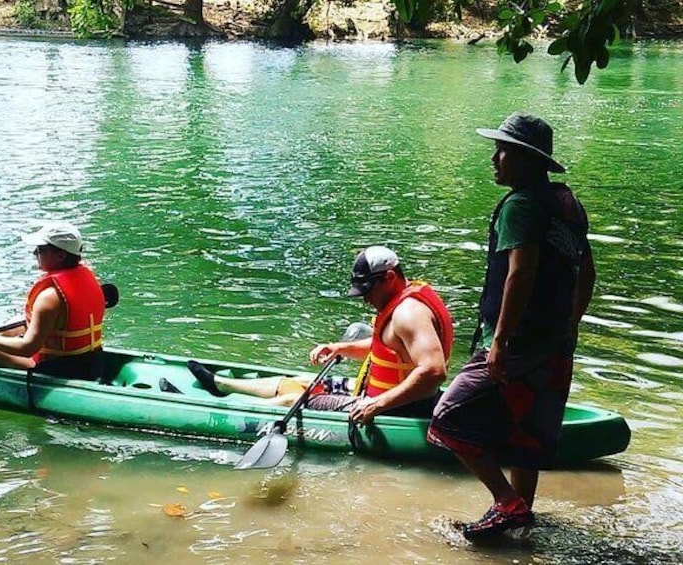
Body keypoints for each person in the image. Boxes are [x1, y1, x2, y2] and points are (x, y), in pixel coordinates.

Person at [426, 112, 596, 542]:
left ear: (526, 159)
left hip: (516, 344)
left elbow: (519, 274)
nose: (494, 159)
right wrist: (570, 325)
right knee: (529, 436)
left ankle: (507, 503)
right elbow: (586, 271)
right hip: (554, 344)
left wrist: (499, 341)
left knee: (447, 419)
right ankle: (521, 521)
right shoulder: (567, 204)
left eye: (503, 151)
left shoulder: (520, 205)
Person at [190, 245, 454, 423]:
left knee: (296, 399)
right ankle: (222, 385)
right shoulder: (404, 299)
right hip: (378, 395)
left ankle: (223, 415)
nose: (365, 300)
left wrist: (377, 405)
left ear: (388, 278)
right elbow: (389, 348)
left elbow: (433, 371)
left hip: (396, 409)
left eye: (368, 290)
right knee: (301, 380)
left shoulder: (409, 314)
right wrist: (340, 348)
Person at [0, 222, 106, 380]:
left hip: (57, 372)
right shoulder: (90, 280)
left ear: (61, 255)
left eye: (40, 250)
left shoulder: (49, 297)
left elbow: (28, 349)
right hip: (92, 363)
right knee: (12, 325)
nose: (34, 253)